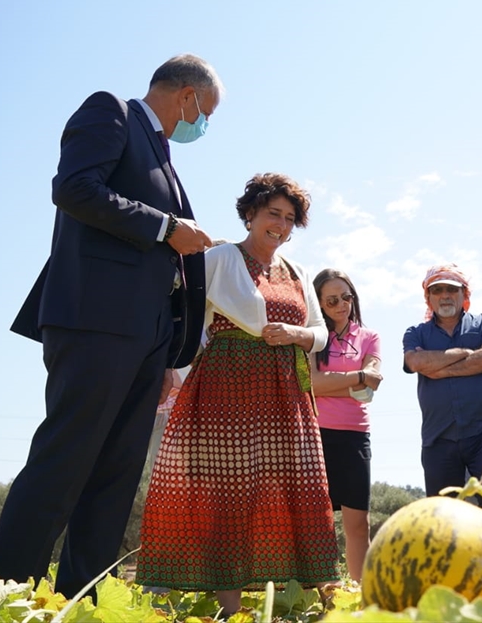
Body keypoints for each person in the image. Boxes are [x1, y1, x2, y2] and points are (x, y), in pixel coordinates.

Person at [0, 54, 221, 597]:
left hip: (147, 337)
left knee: (115, 475)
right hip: (96, 319)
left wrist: (168, 354)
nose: (203, 125)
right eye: (205, 112)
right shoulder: (111, 112)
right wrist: (167, 227)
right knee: (66, 457)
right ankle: (5, 592)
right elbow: (74, 189)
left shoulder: (164, 156)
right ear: (186, 94)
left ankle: (79, 597)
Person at [135, 173, 339, 614]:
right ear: (250, 215)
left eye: (289, 218)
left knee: (294, 487)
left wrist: (295, 332)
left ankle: (310, 597)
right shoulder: (221, 258)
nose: (280, 225)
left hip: (285, 389)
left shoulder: (299, 273)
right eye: (272, 214)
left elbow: (321, 335)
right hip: (225, 386)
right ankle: (230, 607)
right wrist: (170, 368)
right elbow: (180, 308)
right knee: (228, 490)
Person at [403, 265, 482, 517]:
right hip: (438, 438)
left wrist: (438, 368)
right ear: (428, 298)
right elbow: (415, 363)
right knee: (441, 518)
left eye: (452, 289)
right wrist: (467, 354)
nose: (445, 295)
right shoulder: (416, 333)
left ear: (465, 296)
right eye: (437, 290)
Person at [311, 269, 383, 583]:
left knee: (358, 525)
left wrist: (334, 384)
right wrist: (355, 377)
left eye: (347, 297)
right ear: (320, 305)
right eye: (332, 300)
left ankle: (359, 595)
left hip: (355, 436)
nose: (342, 305)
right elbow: (312, 384)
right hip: (314, 435)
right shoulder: (312, 337)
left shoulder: (370, 337)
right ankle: (323, 590)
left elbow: (373, 385)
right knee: (318, 522)